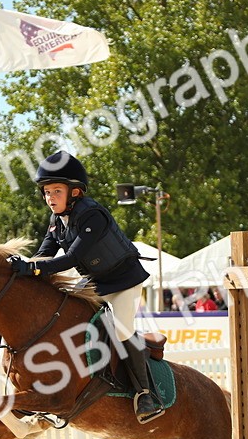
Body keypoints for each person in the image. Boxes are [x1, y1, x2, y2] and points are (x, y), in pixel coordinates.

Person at [9, 151, 163, 423]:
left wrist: (31, 268)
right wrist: (22, 268)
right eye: (46, 192)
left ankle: (146, 394)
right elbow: (44, 255)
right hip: (94, 281)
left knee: (123, 331)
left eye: (57, 191)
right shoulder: (57, 221)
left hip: (123, 281)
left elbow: (71, 259)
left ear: (75, 192)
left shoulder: (92, 215)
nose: (50, 198)